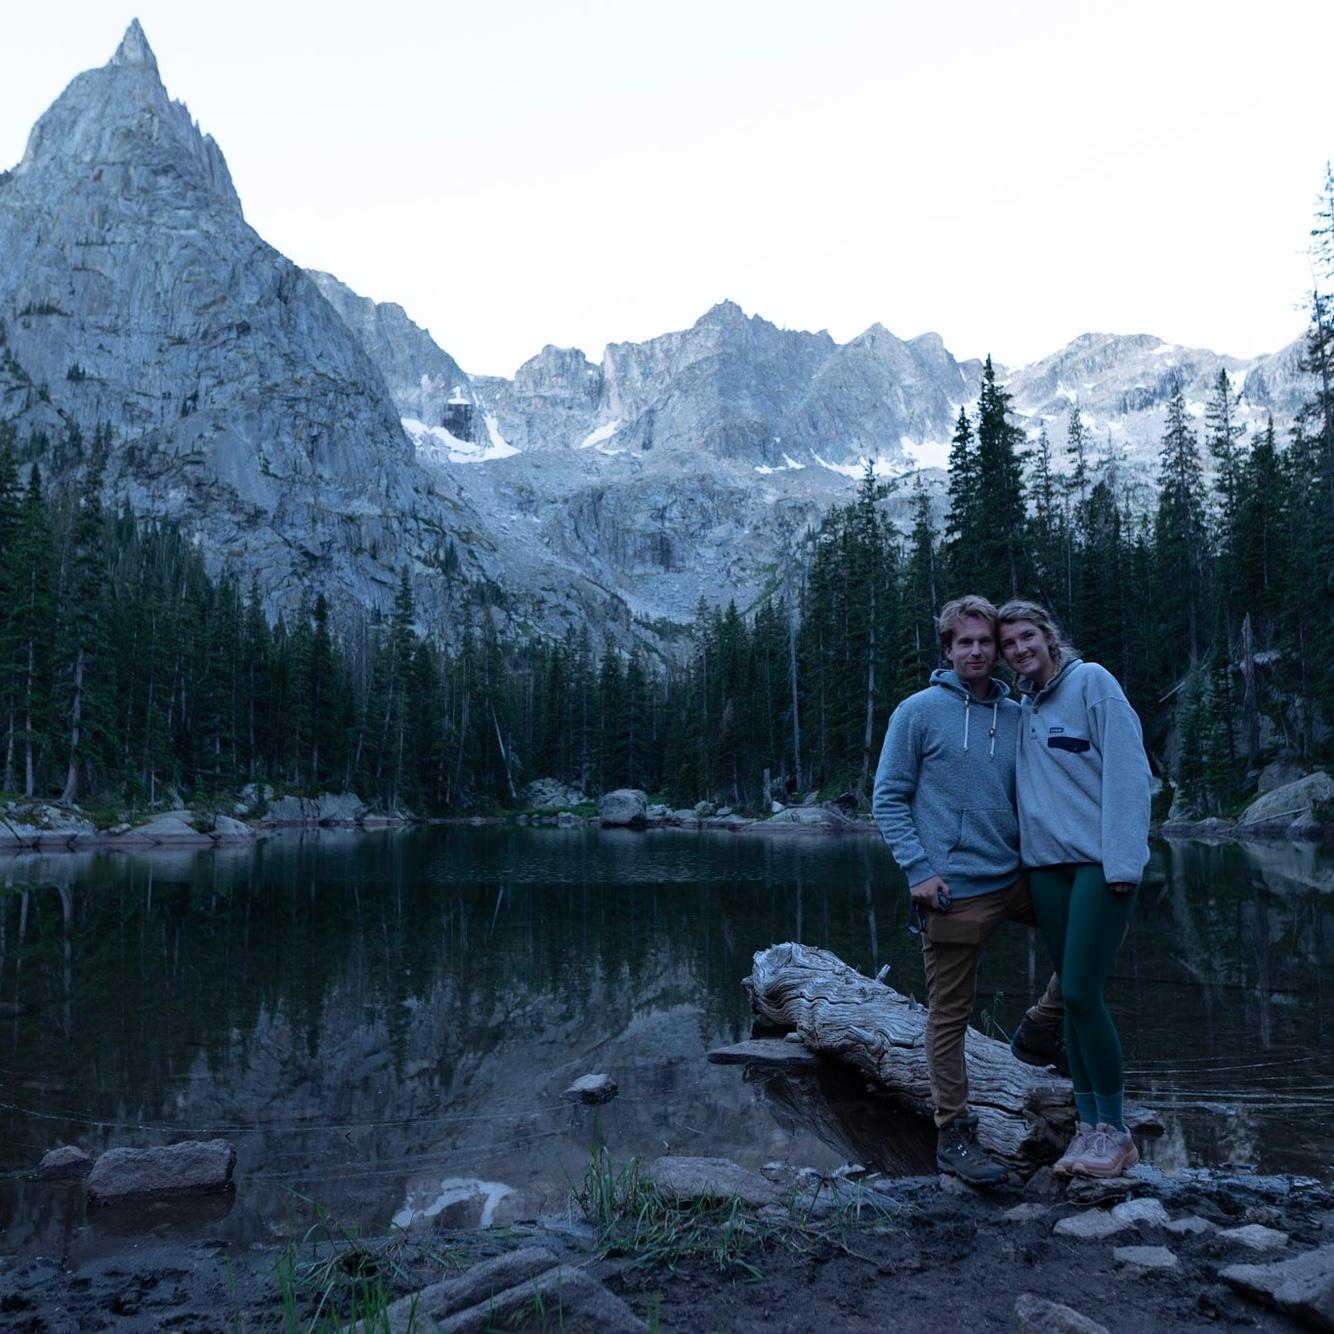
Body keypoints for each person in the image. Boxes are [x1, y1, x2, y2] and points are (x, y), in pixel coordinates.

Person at [873, 594, 1064, 1185]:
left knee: (1096, 921)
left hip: (1019, 877)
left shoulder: (1019, 714)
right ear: (948, 649)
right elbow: (888, 797)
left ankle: (1041, 1023)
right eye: (966, 642)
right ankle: (953, 1134)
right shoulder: (918, 711)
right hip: (953, 891)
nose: (978, 651)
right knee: (950, 1016)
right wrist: (919, 872)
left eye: (987, 641)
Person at [996, 600, 1151, 1179]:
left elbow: (1131, 775)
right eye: (1008, 643)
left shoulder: (1092, 682)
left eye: (1027, 636)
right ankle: (1088, 1130)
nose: (1018, 649)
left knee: (1082, 994)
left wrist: (1124, 862)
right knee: (1073, 1009)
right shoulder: (1023, 707)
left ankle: (1116, 1132)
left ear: (1049, 636)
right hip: (1046, 869)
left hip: (1097, 865)